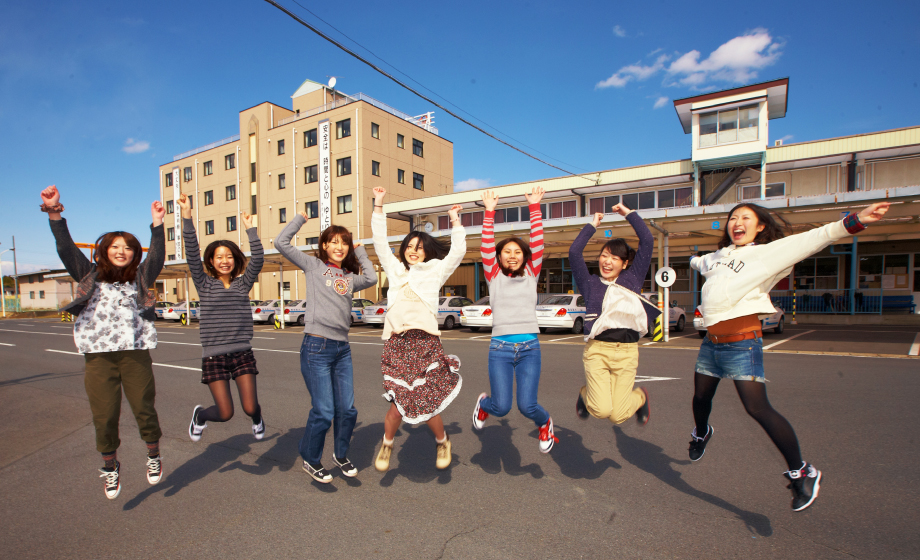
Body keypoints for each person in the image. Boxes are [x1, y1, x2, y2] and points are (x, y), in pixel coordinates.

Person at [688, 201, 890, 512]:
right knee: (700, 398)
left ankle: (803, 472)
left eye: (745, 218)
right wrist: (692, 260)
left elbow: (814, 238)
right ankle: (701, 433)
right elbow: (699, 263)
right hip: (711, 344)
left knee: (757, 408)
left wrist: (855, 221)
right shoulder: (716, 258)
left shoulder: (767, 254)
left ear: (760, 227)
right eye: (732, 218)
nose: (736, 222)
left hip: (743, 344)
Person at [41, 184, 166, 500]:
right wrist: (55, 212)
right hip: (98, 356)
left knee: (144, 408)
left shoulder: (141, 277)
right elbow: (66, 249)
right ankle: (110, 467)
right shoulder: (89, 274)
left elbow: (159, 255)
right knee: (105, 414)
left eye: (127, 247)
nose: (121, 251)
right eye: (115, 246)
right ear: (104, 251)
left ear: (135, 253)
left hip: (135, 354)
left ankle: (153, 455)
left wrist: (157, 225)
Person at [275, 212, 377, 483]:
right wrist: (299, 220)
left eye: (344, 242)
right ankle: (310, 457)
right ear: (324, 245)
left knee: (348, 409)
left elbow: (371, 279)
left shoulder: (349, 276)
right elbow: (281, 243)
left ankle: (340, 454)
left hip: (342, 348)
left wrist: (362, 251)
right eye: (333, 241)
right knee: (324, 410)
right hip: (316, 346)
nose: (339, 246)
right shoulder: (313, 266)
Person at [371, 187, 465, 472]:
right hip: (397, 344)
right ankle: (387, 445)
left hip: (425, 343)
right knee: (399, 403)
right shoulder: (395, 270)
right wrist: (378, 205)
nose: (413, 251)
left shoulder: (435, 271)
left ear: (427, 252)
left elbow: (458, 252)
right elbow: (378, 243)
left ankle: (443, 441)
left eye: (419, 247)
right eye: (410, 246)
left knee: (425, 402)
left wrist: (455, 222)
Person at [471, 187, 558, 453]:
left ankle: (545, 424)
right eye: (506, 251)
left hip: (530, 347)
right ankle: (484, 405)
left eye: (517, 251)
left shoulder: (532, 273)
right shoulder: (493, 275)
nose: (512, 255)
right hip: (500, 348)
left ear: (525, 257)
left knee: (527, 406)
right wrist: (489, 212)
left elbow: (538, 240)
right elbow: (486, 242)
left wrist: (534, 207)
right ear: (498, 258)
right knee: (501, 406)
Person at [179, 195, 266, 445]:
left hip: (241, 352)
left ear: (234, 259)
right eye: (219, 257)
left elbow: (257, 259)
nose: (224, 260)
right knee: (225, 413)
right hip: (214, 355)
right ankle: (201, 415)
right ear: (211, 261)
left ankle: (257, 418)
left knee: (250, 407)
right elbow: (192, 254)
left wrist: (251, 230)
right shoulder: (204, 283)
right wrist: (187, 216)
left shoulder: (242, 284)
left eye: (228, 256)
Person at [569, 204, 658, 428]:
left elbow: (647, 241)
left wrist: (629, 214)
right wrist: (592, 226)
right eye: (604, 255)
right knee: (600, 410)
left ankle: (641, 397)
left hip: (627, 352)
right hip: (597, 351)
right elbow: (574, 252)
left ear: (625, 263)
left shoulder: (633, 278)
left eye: (615, 258)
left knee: (618, 416)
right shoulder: (589, 283)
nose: (607, 262)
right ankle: (584, 393)